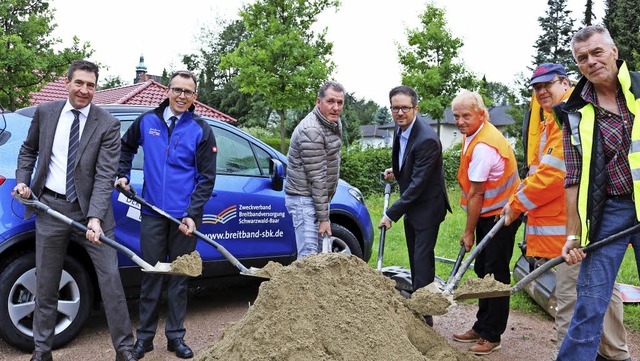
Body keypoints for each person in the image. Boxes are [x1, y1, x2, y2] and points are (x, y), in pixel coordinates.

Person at [504, 63, 630, 361]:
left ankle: (574, 354)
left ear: (565, 82)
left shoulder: (572, 116)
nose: (541, 92)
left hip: (573, 227)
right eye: (536, 88)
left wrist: (515, 204)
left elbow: (554, 176)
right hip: (581, 225)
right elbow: (537, 173)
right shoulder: (554, 119)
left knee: (571, 299)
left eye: (547, 85)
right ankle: (614, 353)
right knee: (602, 289)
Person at [13, 60, 137, 361]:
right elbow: (28, 149)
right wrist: (22, 181)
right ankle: (42, 349)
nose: (84, 90)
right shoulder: (45, 113)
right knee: (46, 282)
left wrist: (94, 218)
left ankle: (124, 349)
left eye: (91, 85)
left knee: (110, 282)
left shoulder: (107, 123)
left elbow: (106, 173)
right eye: (79, 83)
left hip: (92, 215)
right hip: (51, 208)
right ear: (68, 82)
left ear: (96, 88)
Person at [116, 70, 217, 359]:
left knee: (178, 278)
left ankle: (175, 337)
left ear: (195, 96)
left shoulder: (201, 129)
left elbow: (207, 178)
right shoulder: (147, 121)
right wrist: (122, 174)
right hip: (151, 213)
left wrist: (192, 214)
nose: (182, 96)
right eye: (177, 90)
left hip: (183, 219)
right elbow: (125, 146)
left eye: (188, 92)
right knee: (151, 276)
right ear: (168, 91)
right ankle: (144, 339)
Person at [556, 25, 639, 361]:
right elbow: (573, 177)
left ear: (614, 51)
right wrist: (573, 236)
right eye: (582, 58)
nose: (590, 61)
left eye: (596, 52)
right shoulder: (572, 112)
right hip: (612, 212)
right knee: (590, 302)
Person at [450, 90, 521, 356]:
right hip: (490, 213)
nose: (460, 121)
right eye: (456, 116)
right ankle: (481, 326)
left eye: (466, 115)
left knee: (496, 275)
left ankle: (493, 335)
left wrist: (469, 232)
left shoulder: (483, 146)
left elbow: (476, 193)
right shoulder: (475, 134)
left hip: (501, 216)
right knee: (483, 270)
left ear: (481, 114)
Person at [377, 85, 451, 327]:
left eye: (405, 108)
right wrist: (396, 173)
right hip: (412, 204)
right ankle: (421, 307)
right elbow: (407, 163)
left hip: (428, 207)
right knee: (414, 258)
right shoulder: (401, 130)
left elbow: (419, 184)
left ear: (415, 109)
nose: (400, 112)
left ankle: (424, 317)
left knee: (421, 260)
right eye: (395, 108)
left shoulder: (427, 139)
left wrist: (390, 214)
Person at [285, 81, 344, 259]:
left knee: (319, 255)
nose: (335, 107)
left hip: (316, 199)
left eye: (340, 103)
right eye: (330, 101)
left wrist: (324, 211)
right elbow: (317, 177)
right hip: (304, 199)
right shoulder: (312, 130)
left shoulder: (331, 122)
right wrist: (324, 219)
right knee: (309, 257)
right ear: (319, 102)